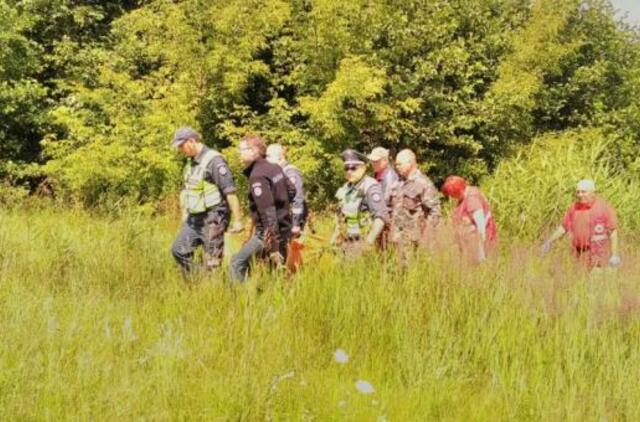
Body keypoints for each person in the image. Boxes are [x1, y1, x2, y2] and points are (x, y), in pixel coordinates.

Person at [170, 127, 243, 275]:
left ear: (191, 141)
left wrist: (238, 220)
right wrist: (185, 213)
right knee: (179, 250)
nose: (180, 150)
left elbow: (230, 192)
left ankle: (211, 286)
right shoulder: (191, 162)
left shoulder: (214, 161)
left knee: (212, 262)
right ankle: (201, 278)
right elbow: (188, 190)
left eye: (181, 145)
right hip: (194, 218)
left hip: (214, 217)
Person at [230, 135, 296, 282]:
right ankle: (274, 301)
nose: (239, 153)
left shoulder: (257, 176)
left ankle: (241, 300)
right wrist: (283, 210)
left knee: (237, 263)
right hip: (284, 227)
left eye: (242, 150)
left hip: (267, 234)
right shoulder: (275, 167)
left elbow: (268, 212)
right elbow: (292, 191)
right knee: (273, 274)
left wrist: (273, 247)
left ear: (254, 151)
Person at [542, 179, 620, 270]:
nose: (580, 195)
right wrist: (549, 241)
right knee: (579, 282)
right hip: (579, 256)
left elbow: (613, 232)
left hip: (598, 256)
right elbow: (563, 228)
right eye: (578, 192)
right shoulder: (574, 208)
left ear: (593, 192)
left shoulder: (603, 208)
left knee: (595, 282)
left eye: (583, 192)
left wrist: (614, 255)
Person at [330, 149, 389, 257]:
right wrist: (335, 237)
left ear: (363, 168)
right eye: (346, 168)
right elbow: (340, 216)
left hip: (361, 243)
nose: (349, 171)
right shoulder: (346, 188)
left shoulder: (370, 187)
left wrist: (368, 242)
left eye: (353, 168)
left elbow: (381, 217)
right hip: (344, 242)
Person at [389, 149, 440, 261]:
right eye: (396, 164)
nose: (397, 166)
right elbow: (390, 207)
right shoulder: (397, 183)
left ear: (410, 162)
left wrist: (426, 237)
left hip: (414, 242)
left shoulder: (423, 183)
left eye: (399, 164)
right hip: (397, 239)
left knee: (412, 274)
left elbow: (434, 211)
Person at [441, 175, 497, 264]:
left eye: (452, 194)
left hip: (477, 244)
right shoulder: (468, 191)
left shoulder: (472, 199)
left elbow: (481, 225)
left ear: (458, 191)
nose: (451, 197)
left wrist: (480, 252)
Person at [266, 143, 307, 237]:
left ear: (280, 158)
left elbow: (297, 198)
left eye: (268, 156)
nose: (266, 159)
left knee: (291, 249)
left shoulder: (290, 172)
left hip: (291, 221)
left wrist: (296, 223)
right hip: (281, 220)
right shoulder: (276, 172)